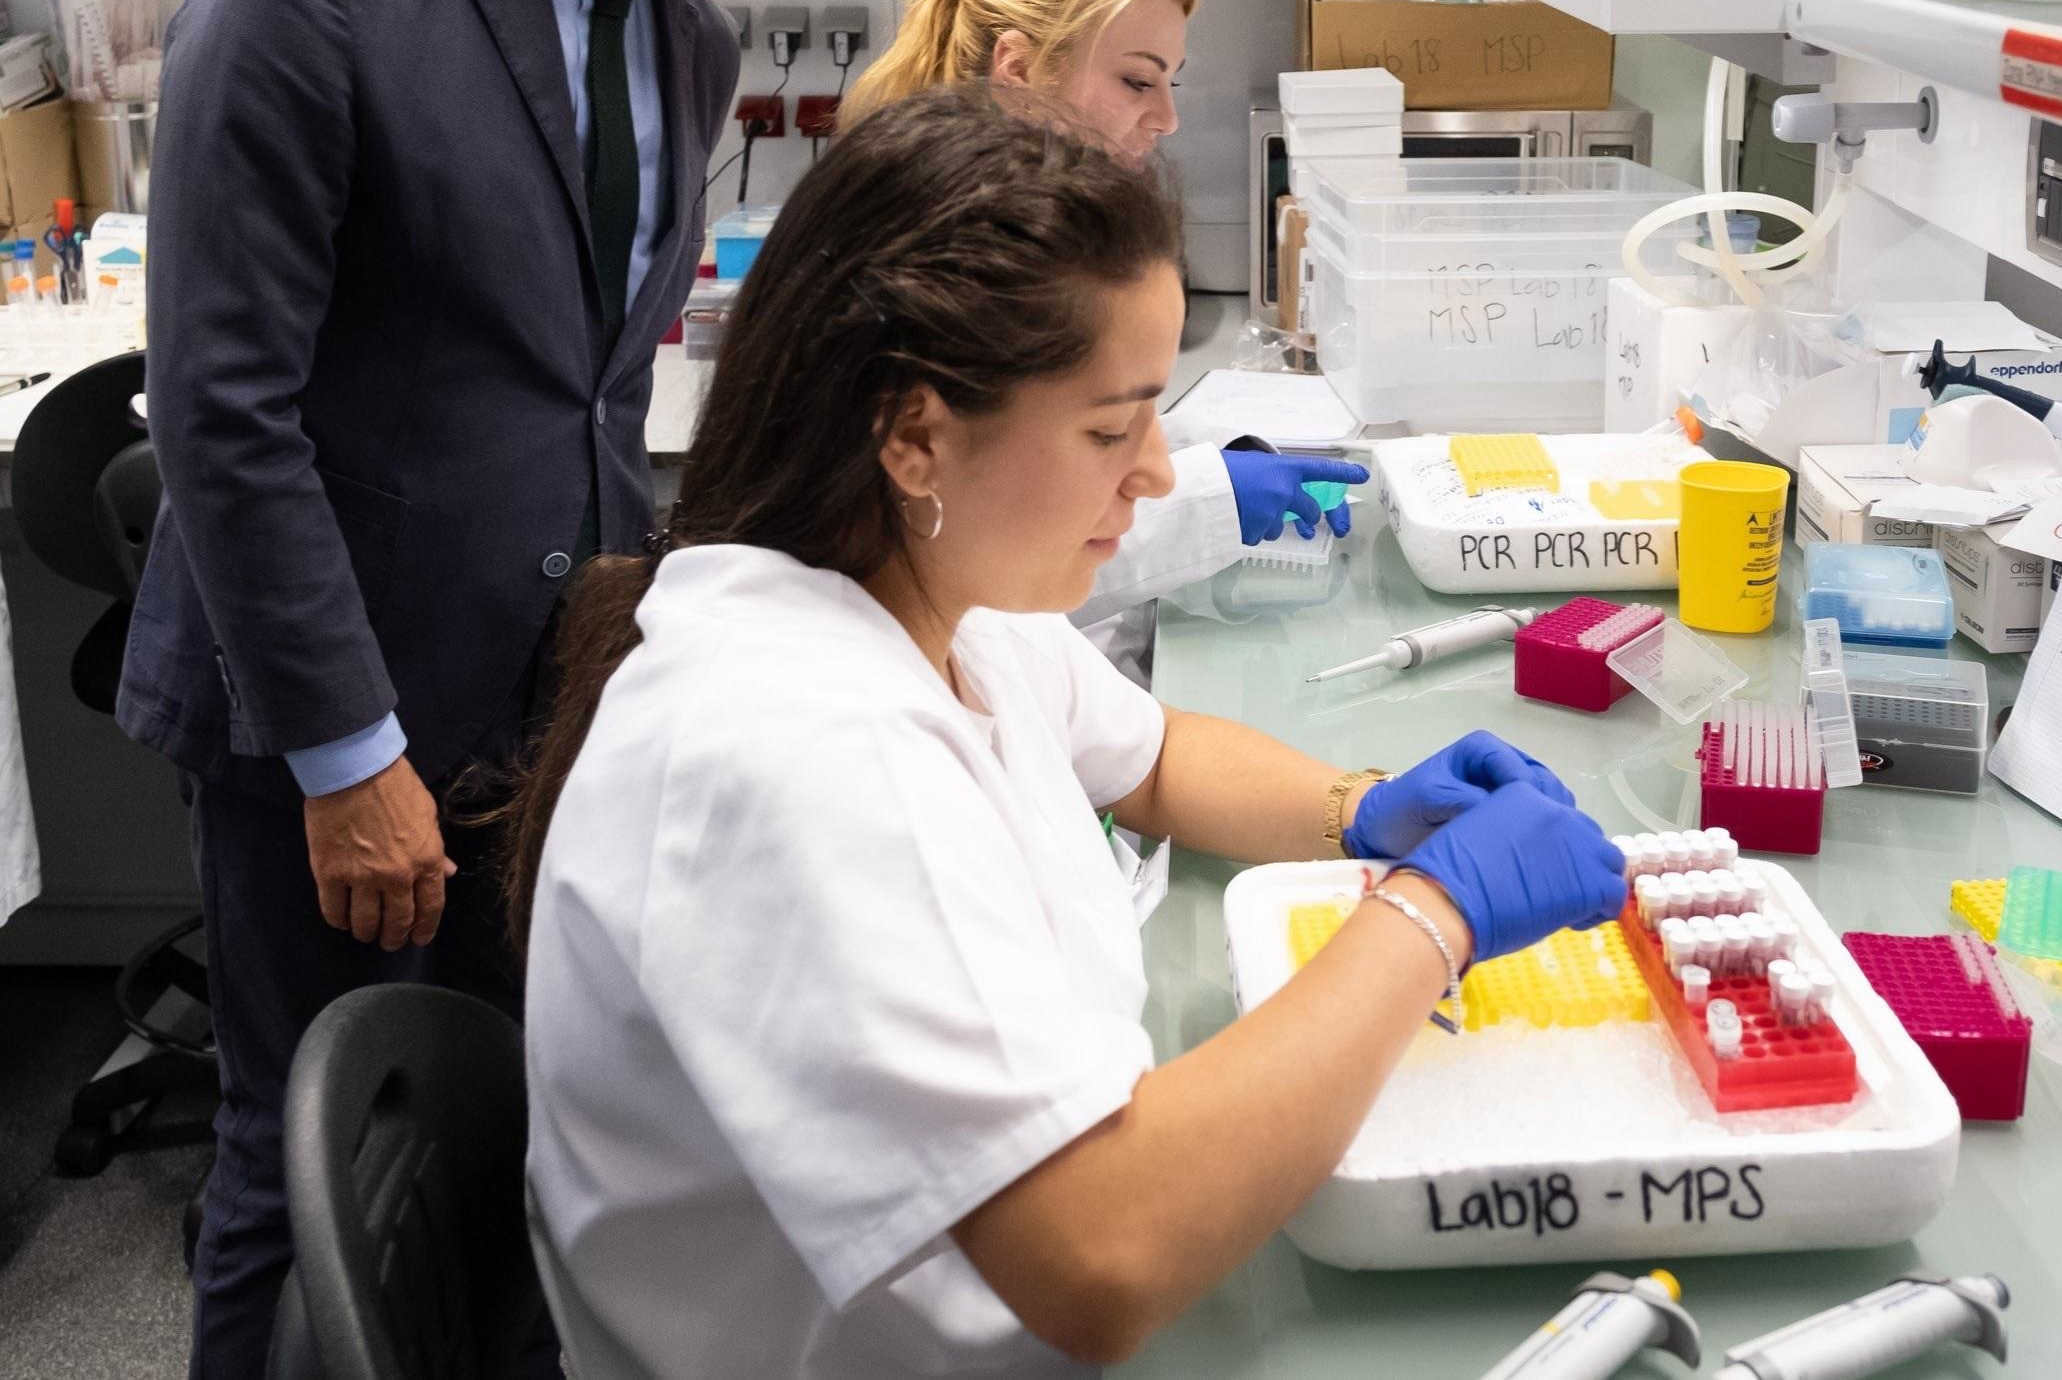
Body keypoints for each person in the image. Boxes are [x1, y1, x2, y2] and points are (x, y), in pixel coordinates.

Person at [513, 93, 1627, 1378]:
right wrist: (1430, 915)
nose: (1156, 471)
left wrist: (1362, 810)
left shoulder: (935, 598)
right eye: (1111, 426)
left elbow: (1151, 757)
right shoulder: (796, 745)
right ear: (916, 433)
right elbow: (1102, 1254)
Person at [116, 0, 906, 1378]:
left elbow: (585, 392)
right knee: (297, 1154)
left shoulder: (686, 37)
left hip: (542, 704)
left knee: (507, 1145)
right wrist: (345, 758)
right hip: (337, 715)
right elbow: (226, 411)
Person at [850, 0, 1365, 658]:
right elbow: (977, 560)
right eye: (1136, 81)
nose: (1166, 118)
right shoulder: (943, 265)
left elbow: (1052, 445)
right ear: (1019, 68)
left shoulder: (1030, 231)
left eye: (1169, 83)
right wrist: (1210, 497)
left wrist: (1218, 453)